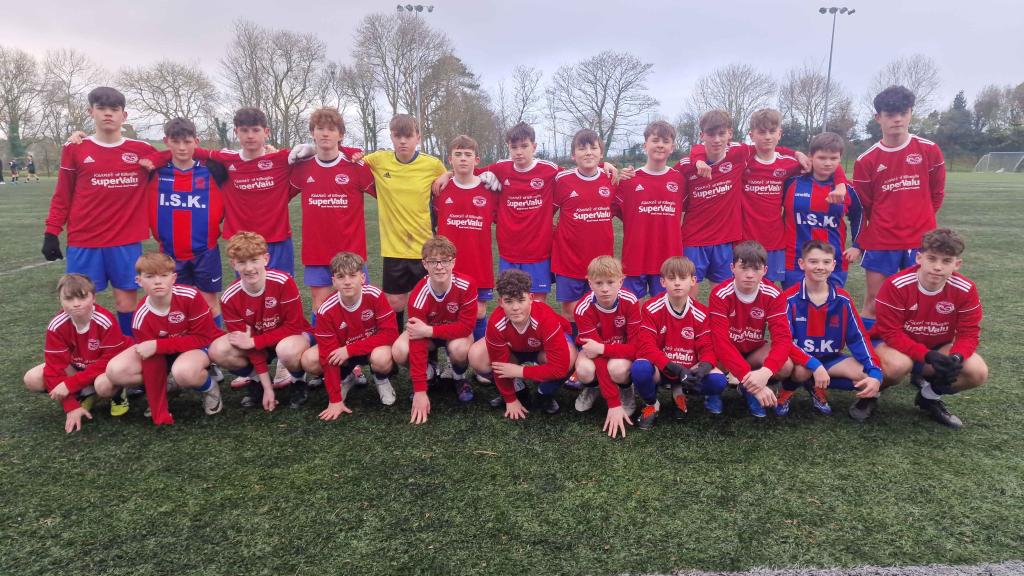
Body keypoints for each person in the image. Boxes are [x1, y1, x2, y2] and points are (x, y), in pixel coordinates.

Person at [43, 86, 157, 337]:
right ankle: (87, 353)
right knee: (80, 304)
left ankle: (129, 351)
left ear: (124, 115)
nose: (108, 114)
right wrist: (51, 232)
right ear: (90, 112)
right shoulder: (75, 148)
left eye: (114, 109)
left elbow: (179, 156)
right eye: (101, 108)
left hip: (125, 240)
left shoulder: (142, 149)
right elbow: (62, 194)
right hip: (85, 239)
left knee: (126, 303)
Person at [870, 229, 987, 428]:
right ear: (919, 258)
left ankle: (929, 397)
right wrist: (927, 355)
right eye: (932, 259)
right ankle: (871, 394)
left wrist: (956, 357)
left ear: (957, 264)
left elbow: (969, 333)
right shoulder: (896, 285)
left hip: (935, 348)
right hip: (893, 347)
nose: (938, 267)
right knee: (896, 366)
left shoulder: (966, 289)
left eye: (946, 261)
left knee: (977, 371)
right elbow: (890, 333)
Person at [853, 85, 946, 326]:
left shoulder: (929, 150)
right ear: (878, 118)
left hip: (921, 240)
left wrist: (919, 220)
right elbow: (865, 204)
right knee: (875, 303)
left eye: (903, 113)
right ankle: (872, 349)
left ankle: (914, 349)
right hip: (881, 241)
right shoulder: (866, 160)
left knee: (920, 303)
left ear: (911, 113)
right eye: (890, 115)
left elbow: (936, 195)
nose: (897, 120)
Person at [101, 252, 223, 425]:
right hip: (164, 353)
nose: (157, 281)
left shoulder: (190, 296)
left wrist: (158, 345)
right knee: (116, 371)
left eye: (164, 275)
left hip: (195, 348)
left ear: (173, 278)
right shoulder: (141, 317)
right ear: (139, 281)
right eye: (150, 276)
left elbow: (204, 337)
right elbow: (152, 362)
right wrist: (160, 412)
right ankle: (168, 388)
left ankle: (210, 388)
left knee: (184, 372)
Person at [209, 232, 313, 411]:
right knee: (218, 350)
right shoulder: (229, 297)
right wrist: (267, 388)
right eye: (242, 262)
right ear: (233, 264)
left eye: (254, 260)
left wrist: (254, 341)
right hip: (259, 346)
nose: (249, 268)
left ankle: (298, 381)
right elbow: (246, 343)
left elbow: (294, 327)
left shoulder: (283, 281)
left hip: (290, 338)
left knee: (286, 349)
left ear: (266, 259)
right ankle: (257, 381)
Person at [778, 240, 882, 417]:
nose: (820, 267)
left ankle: (815, 385)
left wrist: (875, 371)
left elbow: (858, 338)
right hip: (800, 361)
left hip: (830, 359)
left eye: (826, 262)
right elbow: (784, 342)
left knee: (867, 376)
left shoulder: (843, 299)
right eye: (813, 261)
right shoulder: (789, 298)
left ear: (833, 265)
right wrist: (814, 365)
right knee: (802, 371)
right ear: (801, 263)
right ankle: (786, 390)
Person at [288, 107, 376, 312]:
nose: (325, 134)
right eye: (320, 128)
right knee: (321, 307)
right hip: (316, 252)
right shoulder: (302, 167)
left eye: (331, 129)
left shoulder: (356, 166)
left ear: (341, 135)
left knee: (358, 306)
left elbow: (387, 195)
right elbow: (279, 196)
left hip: (351, 252)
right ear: (313, 133)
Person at [22, 274, 131, 433]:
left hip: (106, 367)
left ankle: (118, 394)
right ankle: (87, 394)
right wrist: (70, 406)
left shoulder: (105, 320)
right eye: (69, 299)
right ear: (60, 300)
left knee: (104, 386)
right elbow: (54, 368)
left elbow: (109, 360)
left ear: (93, 298)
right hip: (79, 367)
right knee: (32, 379)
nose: (76, 304)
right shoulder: (56, 326)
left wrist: (70, 384)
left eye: (82, 297)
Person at [301, 252, 398, 420]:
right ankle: (346, 377)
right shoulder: (326, 310)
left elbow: (390, 334)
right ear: (333, 281)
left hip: (369, 350)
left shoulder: (375, 295)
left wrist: (350, 349)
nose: (347, 281)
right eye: (341, 276)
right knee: (310, 360)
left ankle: (381, 379)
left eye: (352, 275)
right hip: (342, 354)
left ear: (362, 277)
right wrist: (335, 400)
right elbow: (327, 355)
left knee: (382, 358)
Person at [632, 256, 728, 427]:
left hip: (688, 370)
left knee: (717, 382)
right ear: (662, 282)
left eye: (682, 278)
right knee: (640, 368)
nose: (677, 283)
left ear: (693, 281)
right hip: (662, 369)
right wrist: (677, 369)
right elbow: (646, 347)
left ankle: (681, 392)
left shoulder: (701, 313)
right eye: (671, 278)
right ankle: (652, 404)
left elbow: (708, 348)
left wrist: (702, 369)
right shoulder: (651, 308)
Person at [147, 117, 226, 323]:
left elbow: (240, 161)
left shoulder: (213, 170)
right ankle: (184, 340)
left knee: (209, 302)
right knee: (176, 304)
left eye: (187, 142)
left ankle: (214, 340)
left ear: (196, 142)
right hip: (170, 252)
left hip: (205, 251)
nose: (182, 148)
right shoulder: (154, 171)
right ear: (166, 141)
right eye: (176, 142)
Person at [468, 269, 577, 419]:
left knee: (569, 359)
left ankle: (544, 393)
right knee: (477, 356)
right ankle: (518, 389)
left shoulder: (545, 319)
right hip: (515, 349)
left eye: (521, 300)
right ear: (500, 302)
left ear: (531, 298)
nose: (515, 307)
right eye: (509, 301)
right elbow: (499, 365)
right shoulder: (496, 323)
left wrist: (520, 371)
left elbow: (560, 368)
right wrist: (510, 399)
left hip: (543, 349)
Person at [392, 236, 478, 424]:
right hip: (426, 335)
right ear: (425, 264)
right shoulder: (418, 294)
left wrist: (430, 331)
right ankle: (429, 373)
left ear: (453, 262)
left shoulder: (467, 285)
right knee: (399, 350)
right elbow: (416, 339)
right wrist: (420, 391)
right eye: (433, 261)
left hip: (453, 335)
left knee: (460, 349)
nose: (439, 267)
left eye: (445, 260)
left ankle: (458, 377)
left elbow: (466, 327)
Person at [708, 241, 794, 417]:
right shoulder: (720, 294)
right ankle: (714, 392)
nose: (749, 275)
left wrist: (765, 372)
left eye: (756, 269)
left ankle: (747, 385)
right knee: (711, 354)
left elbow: (783, 339)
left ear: (765, 270)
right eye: (743, 268)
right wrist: (755, 383)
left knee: (785, 366)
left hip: (753, 350)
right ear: (732, 268)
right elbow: (720, 342)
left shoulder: (773, 294)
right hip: (725, 352)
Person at [432, 134, 496, 341]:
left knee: (478, 311)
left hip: (479, 263)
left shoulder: (490, 189)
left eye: (468, 154)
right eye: (458, 154)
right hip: (448, 265)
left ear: (476, 160)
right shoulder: (439, 189)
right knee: (450, 311)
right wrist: (447, 175)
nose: (462, 159)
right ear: (450, 159)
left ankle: (480, 355)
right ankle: (456, 357)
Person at [781, 132, 864, 288]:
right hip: (795, 260)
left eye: (833, 158)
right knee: (795, 303)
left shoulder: (847, 189)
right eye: (822, 158)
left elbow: (859, 216)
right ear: (811, 156)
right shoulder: (791, 182)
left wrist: (857, 246)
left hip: (833, 262)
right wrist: (795, 154)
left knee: (830, 303)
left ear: (840, 159)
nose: (827, 163)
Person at [613, 120, 685, 299]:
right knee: (632, 310)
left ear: (672, 147)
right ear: (645, 145)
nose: (660, 145)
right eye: (655, 140)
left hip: (668, 259)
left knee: (664, 310)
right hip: (635, 258)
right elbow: (617, 212)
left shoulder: (679, 180)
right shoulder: (629, 180)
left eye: (665, 141)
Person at [571, 256, 642, 438]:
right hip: (593, 353)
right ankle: (592, 387)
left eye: (610, 282)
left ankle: (626, 389)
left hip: (619, 352)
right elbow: (593, 353)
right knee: (584, 370)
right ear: (590, 283)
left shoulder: (630, 301)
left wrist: (603, 349)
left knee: (617, 369)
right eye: (599, 283)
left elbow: (635, 348)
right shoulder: (582, 309)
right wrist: (613, 402)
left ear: (621, 281)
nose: (604, 289)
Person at [552, 129, 615, 327]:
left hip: (601, 261)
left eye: (593, 148)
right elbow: (546, 214)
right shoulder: (562, 180)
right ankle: (573, 345)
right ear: (573, 155)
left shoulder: (611, 178)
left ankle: (597, 344)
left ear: (601, 153)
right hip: (569, 260)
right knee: (571, 311)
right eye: (582, 148)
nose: (588, 152)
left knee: (600, 309)